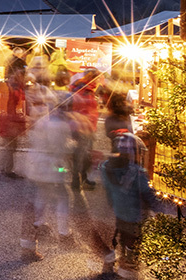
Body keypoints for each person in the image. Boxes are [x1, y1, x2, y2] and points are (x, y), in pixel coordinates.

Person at [19, 83, 73, 262]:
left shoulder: (45, 120)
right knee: (60, 198)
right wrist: (72, 152)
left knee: (39, 202)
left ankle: (29, 244)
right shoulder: (59, 125)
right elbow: (60, 149)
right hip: (49, 169)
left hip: (37, 166)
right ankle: (63, 234)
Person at [100, 133, 158, 278]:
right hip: (133, 212)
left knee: (115, 235)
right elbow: (146, 192)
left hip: (114, 209)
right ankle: (128, 267)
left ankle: (109, 264)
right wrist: (156, 206)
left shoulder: (106, 167)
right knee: (132, 239)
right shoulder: (136, 173)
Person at [0, 48, 29, 179]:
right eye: (22, 74)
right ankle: (5, 171)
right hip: (9, 120)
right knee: (10, 146)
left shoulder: (14, 85)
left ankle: (4, 169)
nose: (24, 76)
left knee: (11, 146)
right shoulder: (11, 87)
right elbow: (5, 105)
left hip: (11, 119)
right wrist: (11, 120)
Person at [69, 68, 102, 190]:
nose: (99, 80)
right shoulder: (86, 91)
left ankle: (81, 178)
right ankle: (76, 181)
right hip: (84, 128)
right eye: (98, 78)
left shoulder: (79, 87)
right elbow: (86, 111)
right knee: (82, 155)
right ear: (93, 77)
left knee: (81, 154)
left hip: (79, 126)